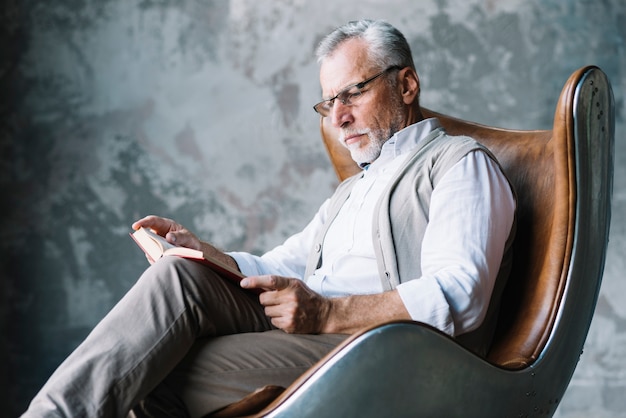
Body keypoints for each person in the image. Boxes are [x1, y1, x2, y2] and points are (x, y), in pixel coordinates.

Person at [22, 19, 516, 417]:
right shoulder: (352, 191)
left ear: (406, 84)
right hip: (312, 333)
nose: (339, 117)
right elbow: (285, 266)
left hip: (378, 354)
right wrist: (204, 254)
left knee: (154, 369)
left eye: (354, 93)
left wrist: (329, 314)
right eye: (329, 102)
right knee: (180, 275)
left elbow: (462, 292)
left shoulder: (458, 164)